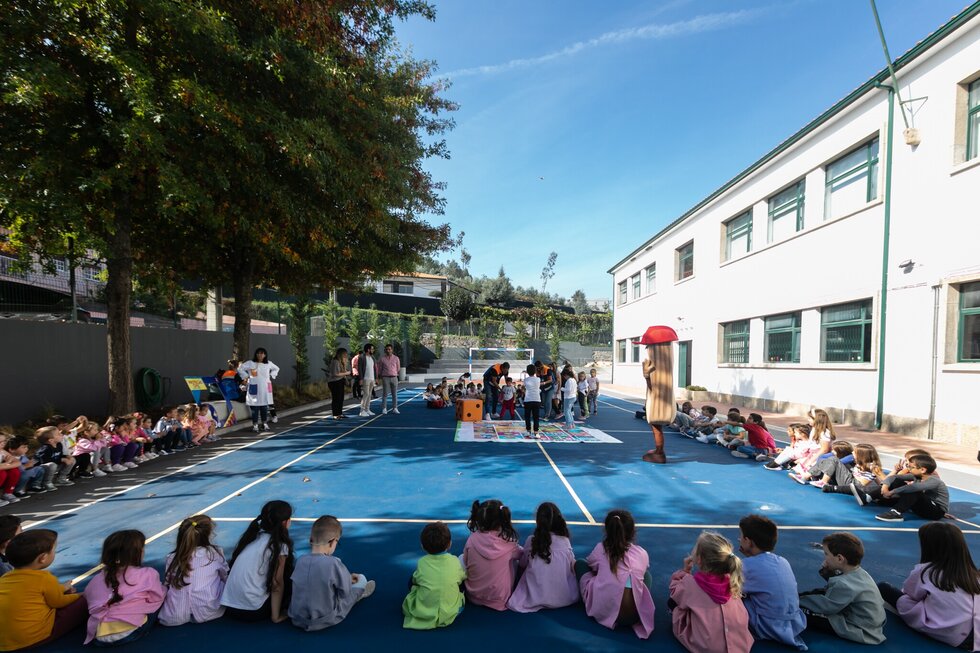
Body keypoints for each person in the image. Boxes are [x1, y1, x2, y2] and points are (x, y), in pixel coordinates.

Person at [877, 522, 980, 649]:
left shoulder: (926, 571)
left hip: (954, 635)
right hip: (976, 633)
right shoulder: (972, 574)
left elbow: (911, 594)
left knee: (884, 588)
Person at [0, 529, 87, 651]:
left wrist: (62, 588)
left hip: (4, 642)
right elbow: (59, 602)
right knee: (85, 601)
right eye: (54, 550)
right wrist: (81, 595)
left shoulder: (5, 577)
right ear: (43, 558)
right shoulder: (44, 578)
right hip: (31, 638)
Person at [669, 531, 753, 653]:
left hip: (708, 647)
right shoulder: (732, 581)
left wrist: (685, 571)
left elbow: (674, 591)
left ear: (699, 559)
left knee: (674, 605)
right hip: (739, 644)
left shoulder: (691, 583)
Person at [578, 509, 655, 639]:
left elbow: (590, 564)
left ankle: (597, 598)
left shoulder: (601, 548)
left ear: (608, 530)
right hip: (634, 616)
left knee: (580, 564)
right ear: (632, 532)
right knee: (646, 575)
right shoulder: (642, 553)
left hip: (605, 612)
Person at [798, 532, 886, 645]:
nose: (824, 557)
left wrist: (797, 601)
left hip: (860, 629)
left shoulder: (843, 584)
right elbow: (835, 587)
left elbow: (825, 607)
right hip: (871, 623)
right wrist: (827, 572)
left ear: (839, 558)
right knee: (819, 592)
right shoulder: (860, 573)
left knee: (805, 613)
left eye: (826, 554)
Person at [288, 515, 374, 631]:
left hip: (297, 618)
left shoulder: (300, 561)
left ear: (310, 539)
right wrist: (347, 580)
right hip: (324, 620)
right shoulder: (334, 563)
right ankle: (359, 593)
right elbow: (344, 593)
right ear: (333, 542)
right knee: (361, 579)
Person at [84, 530, 166, 646]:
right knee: (162, 597)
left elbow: (88, 597)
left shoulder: (97, 579)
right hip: (129, 633)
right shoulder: (148, 574)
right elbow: (156, 598)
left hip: (99, 637)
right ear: (138, 553)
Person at [737, 515, 807, 650]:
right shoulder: (782, 561)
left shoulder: (746, 566)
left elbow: (727, 587)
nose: (739, 539)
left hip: (767, 627)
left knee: (731, 597)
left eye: (741, 536)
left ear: (748, 542)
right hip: (794, 623)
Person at [221, 500, 295, 623]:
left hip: (229, 607)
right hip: (254, 611)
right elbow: (277, 583)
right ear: (285, 522)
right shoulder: (279, 546)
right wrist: (276, 617)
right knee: (291, 577)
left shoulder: (251, 538)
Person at [507, 502, 578, 612]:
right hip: (563, 598)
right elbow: (571, 566)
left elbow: (522, 564)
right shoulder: (565, 541)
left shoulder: (532, 541)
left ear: (538, 520)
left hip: (535, 596)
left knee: (514, 563)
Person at [159, 515, 228, 626]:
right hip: (209, 611)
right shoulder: (214, 553)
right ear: (207, 534)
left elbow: (168, 582)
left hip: (174, 615)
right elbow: (225, 576)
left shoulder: (172, 558)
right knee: (223, 580)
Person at [403, 521, 466, 630]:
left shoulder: (422, 562)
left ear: (423, 547)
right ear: (450, 544)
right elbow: (462, 579)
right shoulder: (454, 561)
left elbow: (414, 581)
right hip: (450, 611)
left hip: (424, 611)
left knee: (413, 583)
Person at [462, 499, 522, 610]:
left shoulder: (472, 539)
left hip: (473, 596)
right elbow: (523, 556)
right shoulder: (509, 543)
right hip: (499, 600)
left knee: (462, 557)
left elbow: (465, 562)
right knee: (515, 561)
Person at [637, 326, 677, 464]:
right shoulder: (667, 365)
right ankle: (659, 450)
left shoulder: (653, 365)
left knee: (656, 428)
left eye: (648, 346)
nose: (647, 349)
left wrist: (646, 376)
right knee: (657, 428)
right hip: (665, 400)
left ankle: (659, 452)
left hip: (656, 402)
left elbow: (652, 387)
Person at [873, 453, 949, 522]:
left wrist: (891, 492)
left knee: (913, 490)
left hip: (936, 512)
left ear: (922, 470)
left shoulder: (935, 481)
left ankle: (896, 513)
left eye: (911, 467)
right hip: (922, 506)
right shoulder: (917, 476)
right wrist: (885, 487)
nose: (908, 469)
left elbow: (912, 488)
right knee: (897, 481)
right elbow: (894, 477)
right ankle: (869, 496)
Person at [238, 348, 280, 432]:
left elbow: (276, 368)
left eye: (262, 353)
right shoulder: (250, 363)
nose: (260, 355)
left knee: (264, 407)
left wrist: (272, 374)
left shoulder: (268, 363)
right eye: (258, 353)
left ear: (265, 355)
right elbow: (240, 368)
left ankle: (264, 424)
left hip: (265, 388)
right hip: (254, 387)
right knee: (255, 408)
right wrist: (246, 376)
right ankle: (255, 425)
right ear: (256, 354)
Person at [326, 348, 352, 420]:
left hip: (340, 381)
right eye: (345, 354)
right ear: (341, 354)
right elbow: (335, 374)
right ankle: (335, 414)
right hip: (334, 382)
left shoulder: (341, 362)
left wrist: (346, 378)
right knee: (336, 398)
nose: (346, 355)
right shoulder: (335, 361)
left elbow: (342, 372)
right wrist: (347, 373)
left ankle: (339, 413)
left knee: (341, 398)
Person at [377, 343, 401, 415]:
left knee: (394, 394)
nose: (388, 351)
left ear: (392, 350)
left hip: (394, 377)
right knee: (385, 394)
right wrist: (379, 377)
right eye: (387, 349)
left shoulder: (396, 358)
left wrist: (395, 373)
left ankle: (395, 408)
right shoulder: (382, 359)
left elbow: (398, 368)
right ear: (385, 350)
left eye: (389, 349)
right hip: (385, 378)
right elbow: (379, 369)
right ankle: (384, 408)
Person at [357, 344, 379, 417]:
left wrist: (376, 378)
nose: (373, 350)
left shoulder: (373, 357)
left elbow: (375, 368)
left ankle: (367, 409)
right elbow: (359, 368)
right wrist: (361, 378)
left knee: (369, 395)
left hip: (372, 379)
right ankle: (362, 411)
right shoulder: (362, 357)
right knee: (366, 394)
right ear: (368, 349)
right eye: (372, 349)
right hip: (365, 379)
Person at [522, 364, 542, 438]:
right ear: (535, 371)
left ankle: (528, 431)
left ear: (527, 372)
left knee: (527, 416)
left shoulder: (526, 380)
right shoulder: (538, 379)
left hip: (528, 399)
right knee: (536, 416)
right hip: (536, 399)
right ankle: (536, 432)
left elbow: (523, 388)